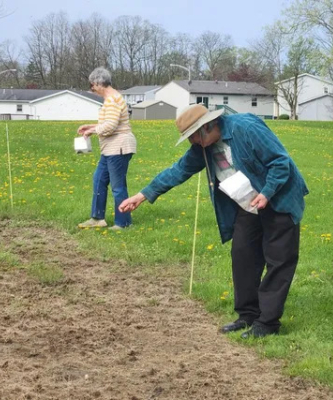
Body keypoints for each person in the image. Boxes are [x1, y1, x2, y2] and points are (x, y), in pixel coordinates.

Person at [119, 104, 309, 338]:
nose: (192, 143)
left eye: (193, 137)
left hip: (278, 199)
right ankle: (247, 315)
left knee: (278, 260)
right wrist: (142, 195)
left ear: (207, 127)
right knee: (243, 256)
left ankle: (267, 323)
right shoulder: (203, 146)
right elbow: (179, 170)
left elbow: (281, 163)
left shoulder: (246, 127)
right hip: (248, 204)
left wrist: (267, 193)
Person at [77, 67, 136, 230]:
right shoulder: (112, 99)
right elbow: (110, 122)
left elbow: (110, 126)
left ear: (97, 83)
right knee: (99, 180)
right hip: (110, 149)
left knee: (118, 187)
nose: (92, 90)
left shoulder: (112, 100)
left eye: (92, 86)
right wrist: (91, 126)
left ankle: (123, 222)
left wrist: (92, 131)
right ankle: (97, 218)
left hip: (119, 148)